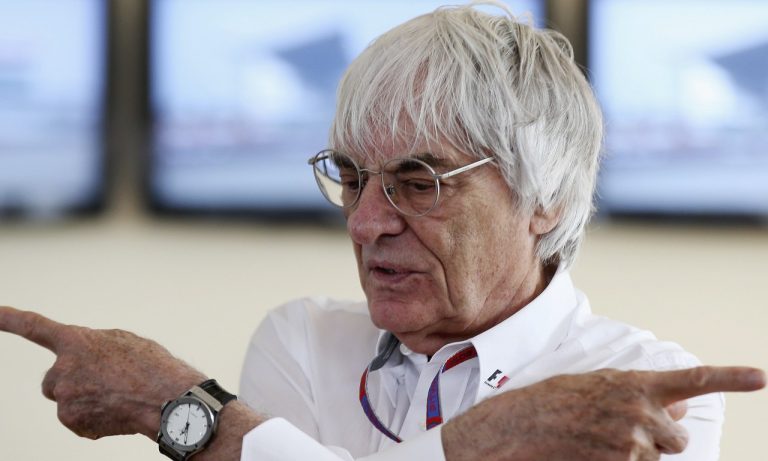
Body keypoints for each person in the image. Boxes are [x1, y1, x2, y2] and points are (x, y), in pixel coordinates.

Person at [0, 2, 765, 461]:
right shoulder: (305, 339)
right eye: (351, 176)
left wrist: (180, 406)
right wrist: (487, 443)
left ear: (547, 199)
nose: (365, 222)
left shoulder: (643, 384)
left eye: (418, 182)